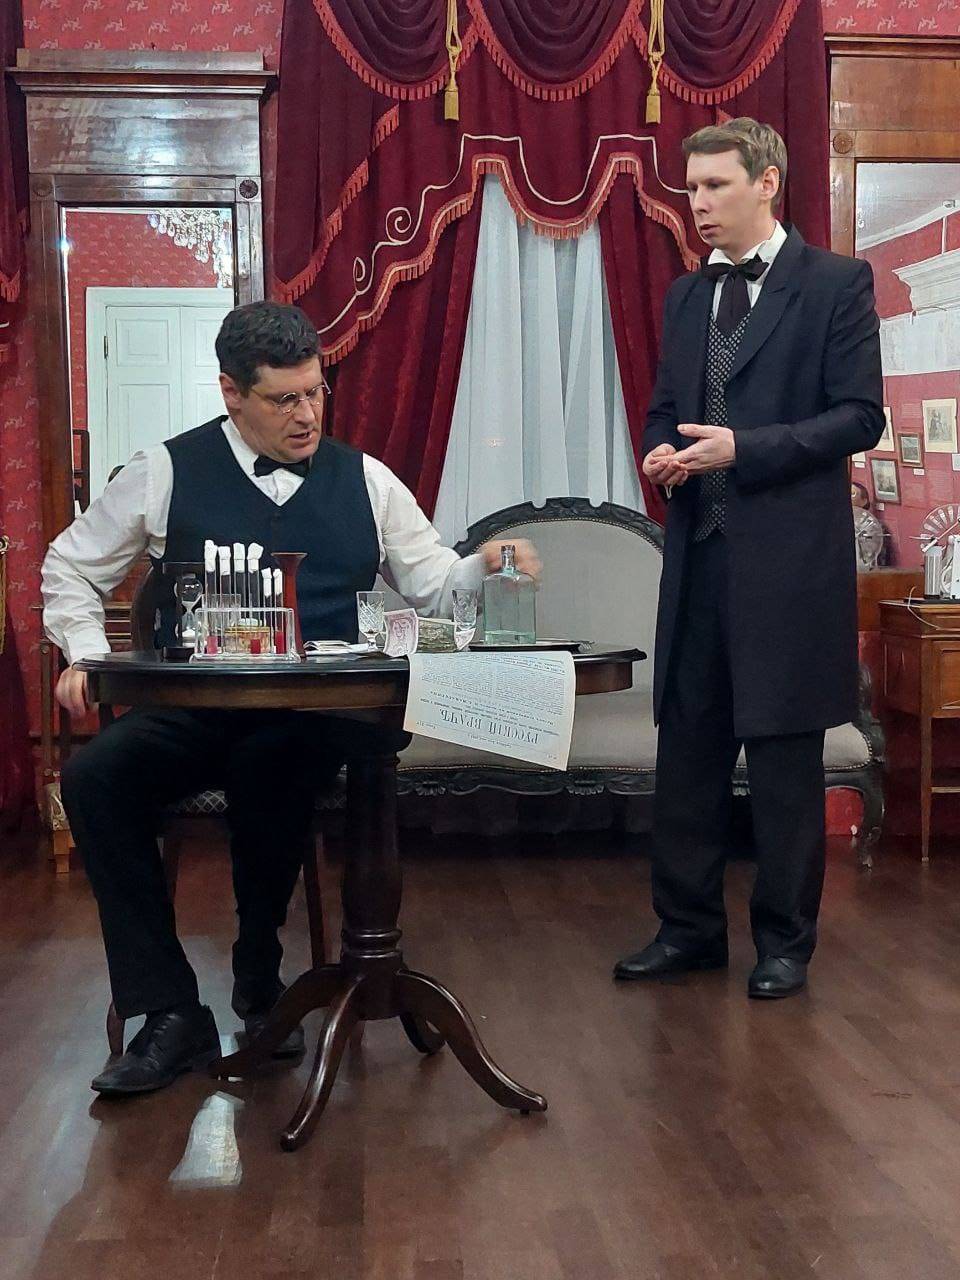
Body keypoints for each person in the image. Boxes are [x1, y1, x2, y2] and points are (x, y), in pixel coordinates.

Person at [43, 301, 540, 1095]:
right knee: (95, 777)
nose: (306, 414)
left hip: (323, 714)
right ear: (231, 393)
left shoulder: (366, 479)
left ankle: (259, 975)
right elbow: (70, 566)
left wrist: (484, 564)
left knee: (272, 757)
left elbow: (435, 585)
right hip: (200, 706)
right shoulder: (164, 470)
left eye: (315, 392)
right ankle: (169, 1010)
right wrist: (86, 653)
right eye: (283, 399)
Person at [614, 119, 884, 998]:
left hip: (789, 569)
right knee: (688, 756)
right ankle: (687, 931)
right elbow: (664, 407)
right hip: (699, 555)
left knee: (782, 766)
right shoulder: (686, 295)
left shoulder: (836, 283)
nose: (696, 204)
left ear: (767, 183)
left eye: (714, 186)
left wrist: (745, 449)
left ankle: (784, 945)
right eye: (691, 188)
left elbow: (859, 416)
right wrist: (659, 452)